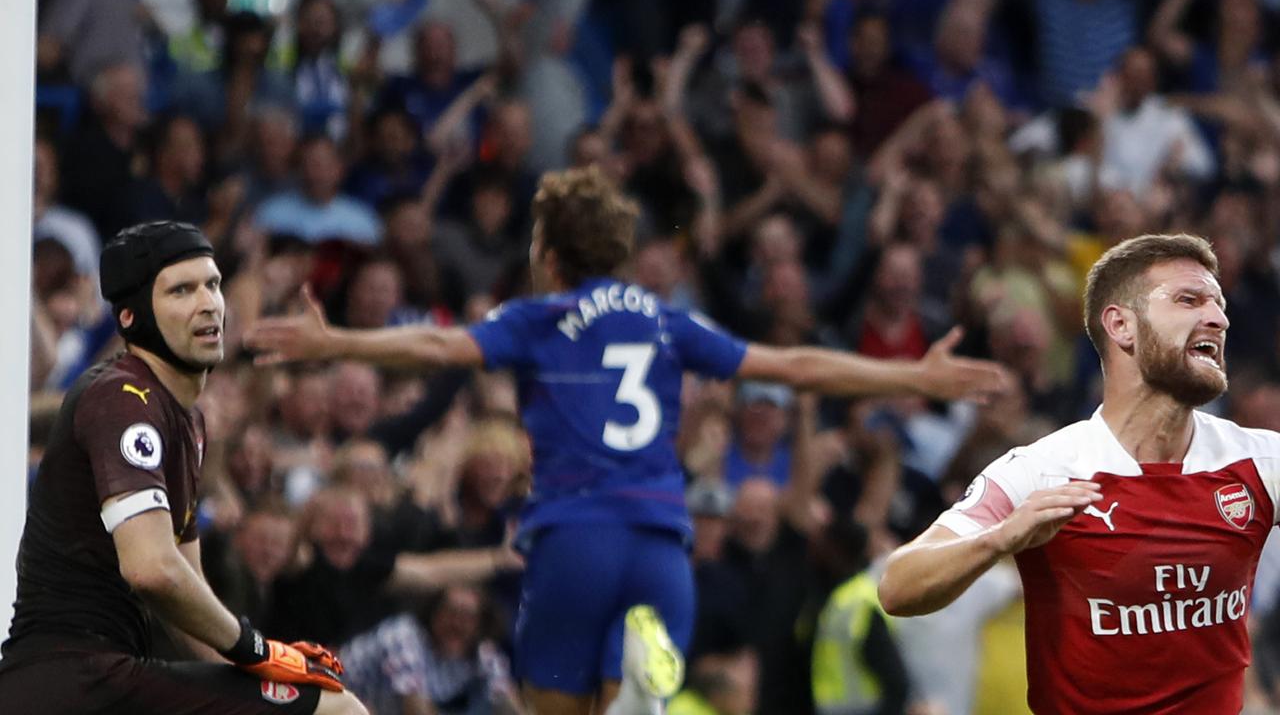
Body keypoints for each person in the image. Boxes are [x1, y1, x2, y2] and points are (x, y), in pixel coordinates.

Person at [246, 166, 1008, 715]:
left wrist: (337, 337)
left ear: (549, 253)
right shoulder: (665, 318)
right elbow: (794, 364)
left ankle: (626, 697)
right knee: (625, 695)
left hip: (572, 536)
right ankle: (634, 697)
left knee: (547, 703)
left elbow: (438, 352)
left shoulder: (537, 316)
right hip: (659, 541)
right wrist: (916, 374)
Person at [879, 233, 1280, 713]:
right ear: (1121, 325)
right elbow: (897, 586)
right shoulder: (1044, 470)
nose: (1218, 317)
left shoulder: (1261, 462)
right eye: (1188, 300)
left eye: (1218, 304)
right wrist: (1000, 540)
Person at [0, 221, 367, 715]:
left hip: (106, 676)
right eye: (181, 290)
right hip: (75, 677)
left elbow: (183, 600)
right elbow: (152, 569)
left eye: (213, 284)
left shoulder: (187, 420)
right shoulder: (123, 398)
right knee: (335, 710)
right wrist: (257, 649)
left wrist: (259, 666)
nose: (209, 303)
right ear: (132, 317)